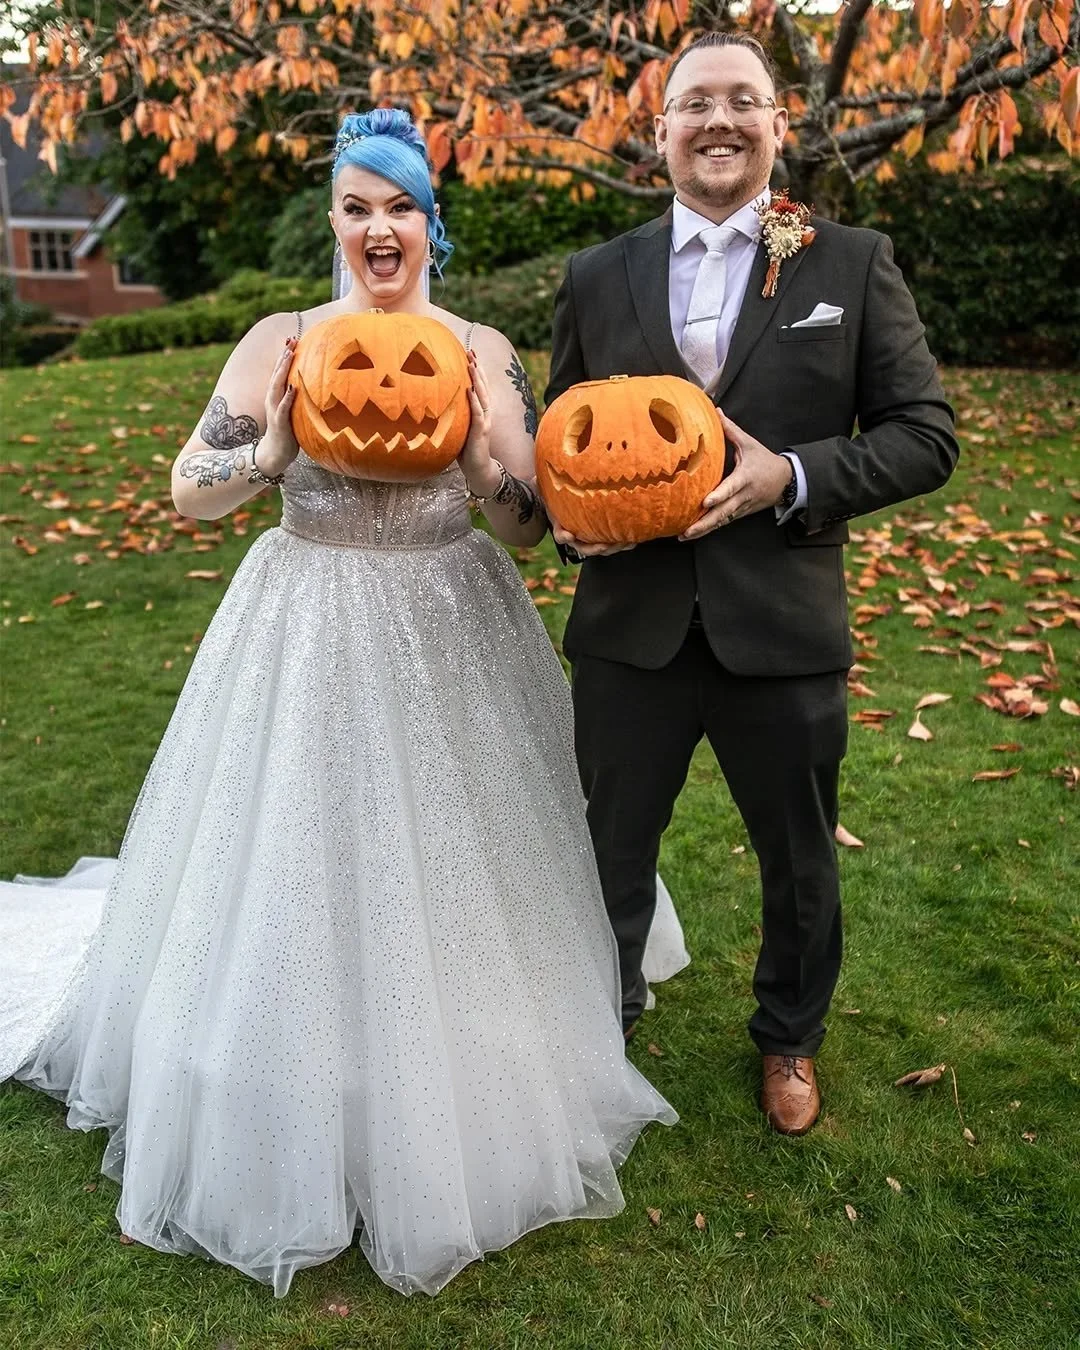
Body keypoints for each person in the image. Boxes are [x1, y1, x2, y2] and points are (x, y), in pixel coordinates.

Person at [0, 108, 676, 1298]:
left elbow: (528, 529)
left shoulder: (480, 350)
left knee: (458, 860)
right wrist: (265, 457)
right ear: (334, 222)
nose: (379, 229)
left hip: (450, 618)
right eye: (358, 207)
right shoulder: (284, 341)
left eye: (400, 206)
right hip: (306, 616)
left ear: (430, 222)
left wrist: (484, 462)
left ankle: (453, 1067)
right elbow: (189, 488)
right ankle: (290, 1064)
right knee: (299, 854)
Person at [544, 34, 959, 1136]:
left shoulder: (848, 263)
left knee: (799, 858)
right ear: (661, 130)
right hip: (630, 631)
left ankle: (789, 1037)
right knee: (606, 850)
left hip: (780, 624)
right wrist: (574, 533)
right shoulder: (595, 275)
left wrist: (795, 475)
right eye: (695, 103)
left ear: (780, 123)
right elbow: (564, 443)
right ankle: (602, 1023)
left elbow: (925, 435)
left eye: (742, 101)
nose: (718, 121)